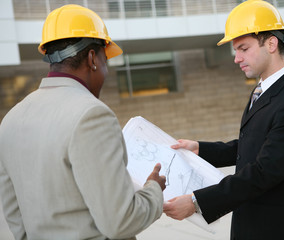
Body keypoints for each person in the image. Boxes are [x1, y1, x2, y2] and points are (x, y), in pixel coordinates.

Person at [0, 4, 166, 240]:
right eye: (105, 60)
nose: (106, 72)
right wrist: (154, 190)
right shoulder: (92, 115)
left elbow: (16, 220)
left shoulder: (10, 120)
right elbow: (120, 221)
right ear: (92, 58)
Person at [163, 0, 284, 239]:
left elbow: (264, 171)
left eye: (243, 49)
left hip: (281, 229)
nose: (237, 58)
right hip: (252, 224)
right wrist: (199, 149)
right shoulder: (264, 89)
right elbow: (252, 146)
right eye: (235, 50)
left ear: (271, 43)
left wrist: (197, 201)